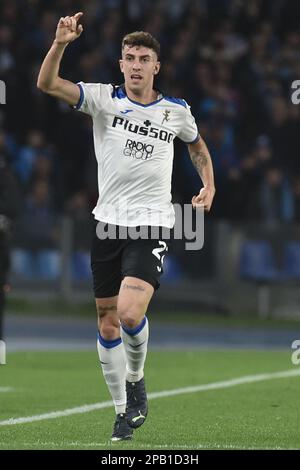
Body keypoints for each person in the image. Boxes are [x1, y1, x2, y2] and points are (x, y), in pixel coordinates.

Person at [37, 12, 215, 441]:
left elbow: (196, 145)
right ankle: (122, 411)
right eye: (129, 57)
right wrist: (60, 44)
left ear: (157, 67)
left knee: (130, 311)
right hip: (106, 225)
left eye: (144, 58)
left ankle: (136, 380)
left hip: (151, 223)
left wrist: (208, 184)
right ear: (121, 64)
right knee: (106, 323)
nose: (136, 64)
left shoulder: (176, 112)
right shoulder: (103, 99)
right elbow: (46, 84)